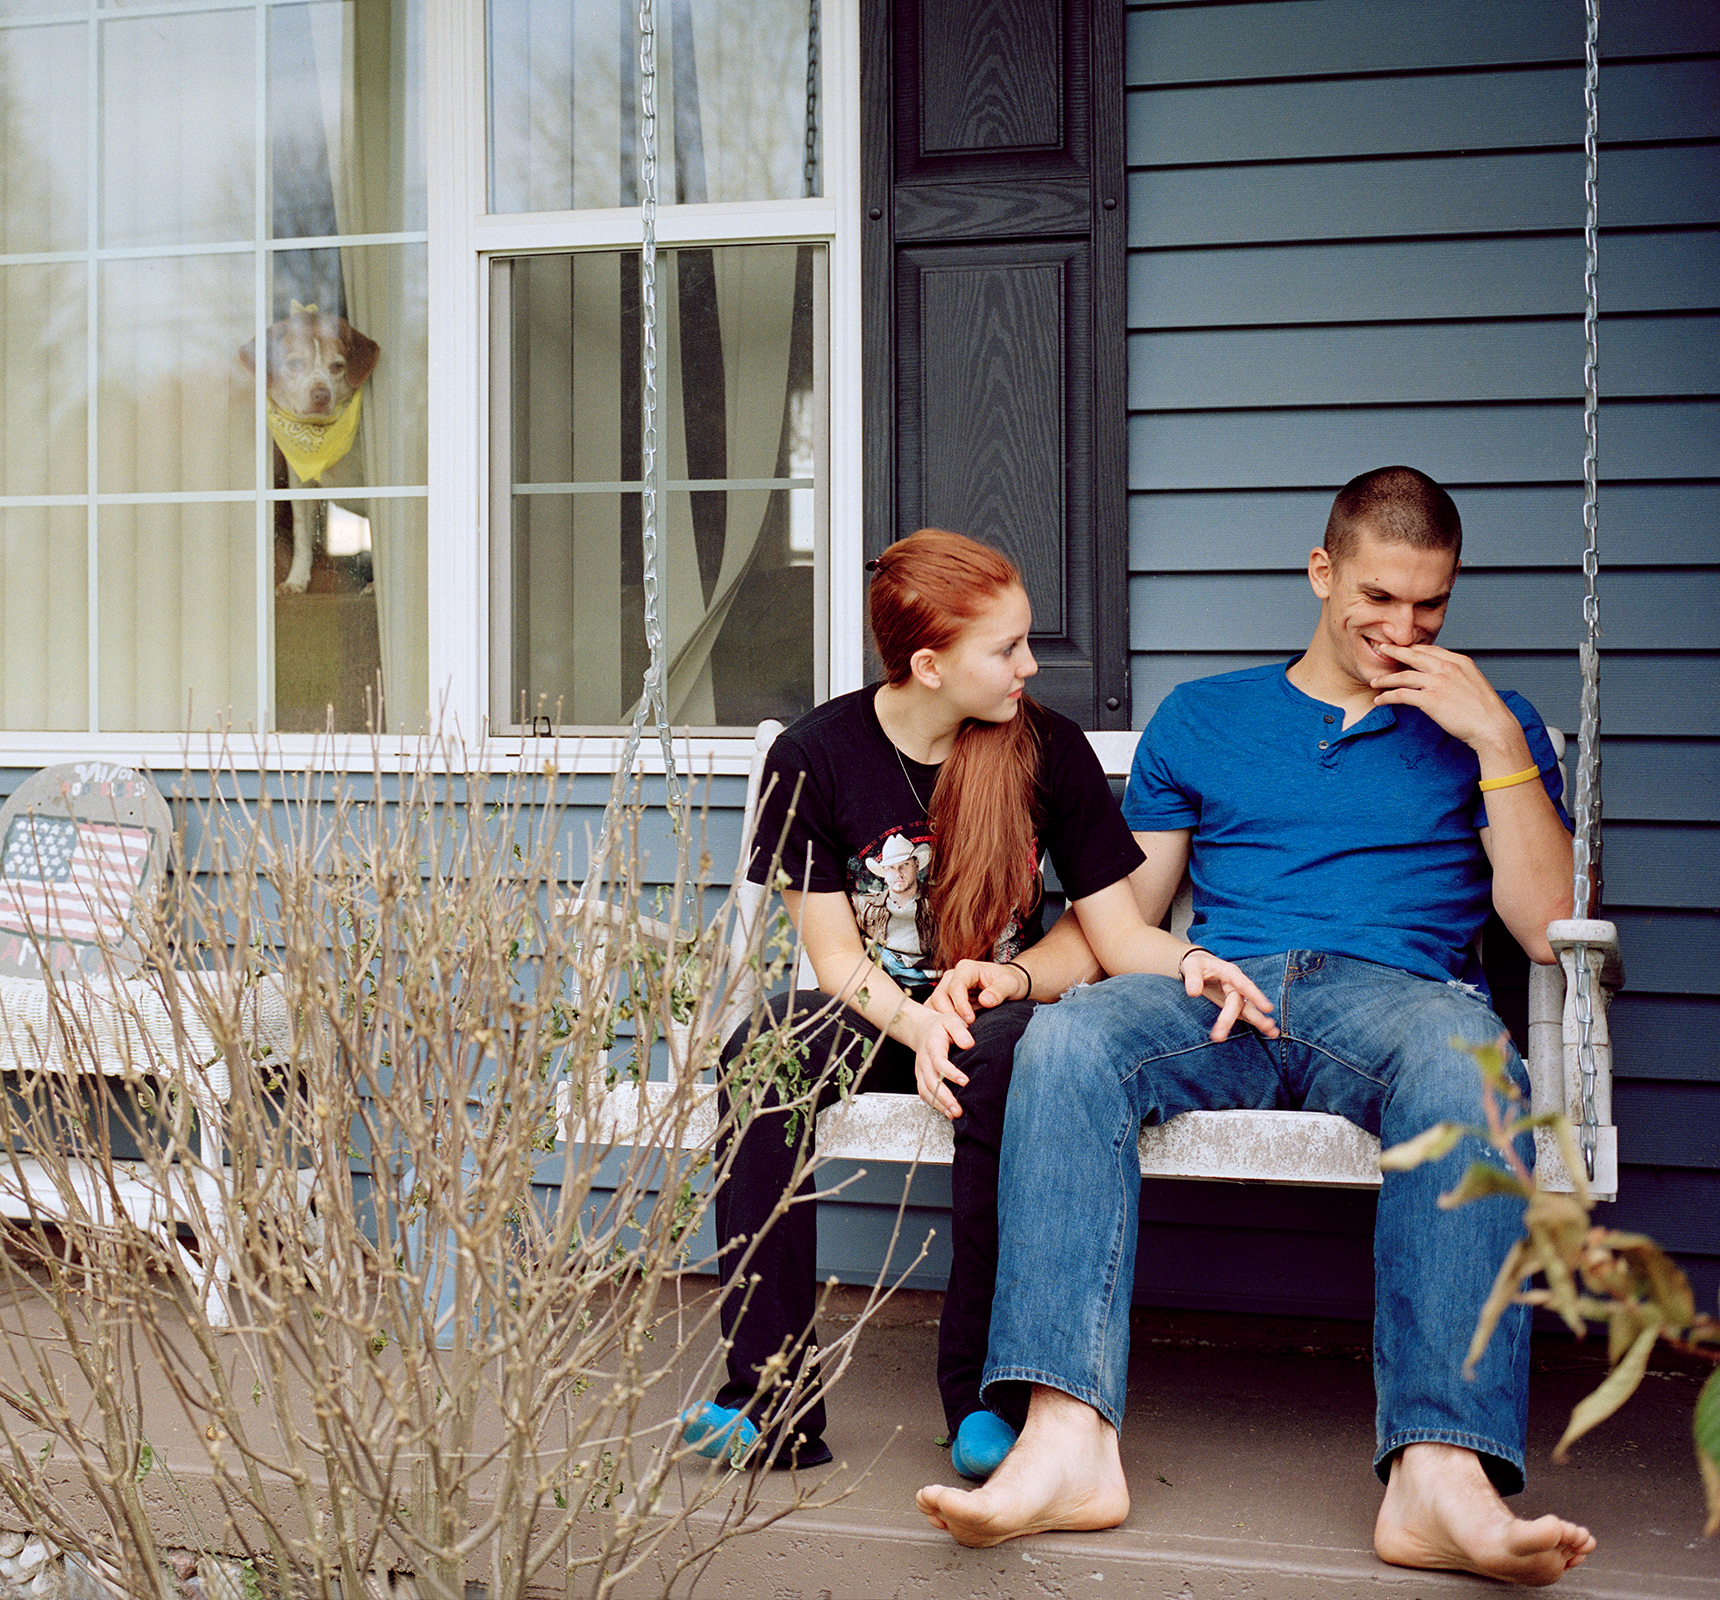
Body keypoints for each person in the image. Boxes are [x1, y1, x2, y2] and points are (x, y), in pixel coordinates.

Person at [915, 467, 1599, 1586]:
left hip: (1395, 998)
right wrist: (1009, 977)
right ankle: (1064, 1441)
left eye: (1428, 605)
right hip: (1221, 991)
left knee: (1468, 1064)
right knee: (1074, 1039)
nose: (1402, 628)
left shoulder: (1490, 723)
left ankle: (1438, 1474)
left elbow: (1541, 926)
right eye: (1377, 597)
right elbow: (1115, 924)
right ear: (1320, 572)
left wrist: (1493, 740)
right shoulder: (1207, 717)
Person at [683, 528, 1275, 1471]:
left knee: (1005, 1061)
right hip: (878, 1010)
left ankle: (983, 1398)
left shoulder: (1045, 749)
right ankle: (770, 1398)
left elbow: (1112, 935)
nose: (1030, 665)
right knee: (762, 1054)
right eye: (1006, 648)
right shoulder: (816, 757)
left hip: (999, 1010)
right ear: (928, 663)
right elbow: (836, 960)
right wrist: (918, 1022)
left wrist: (1189, 959)